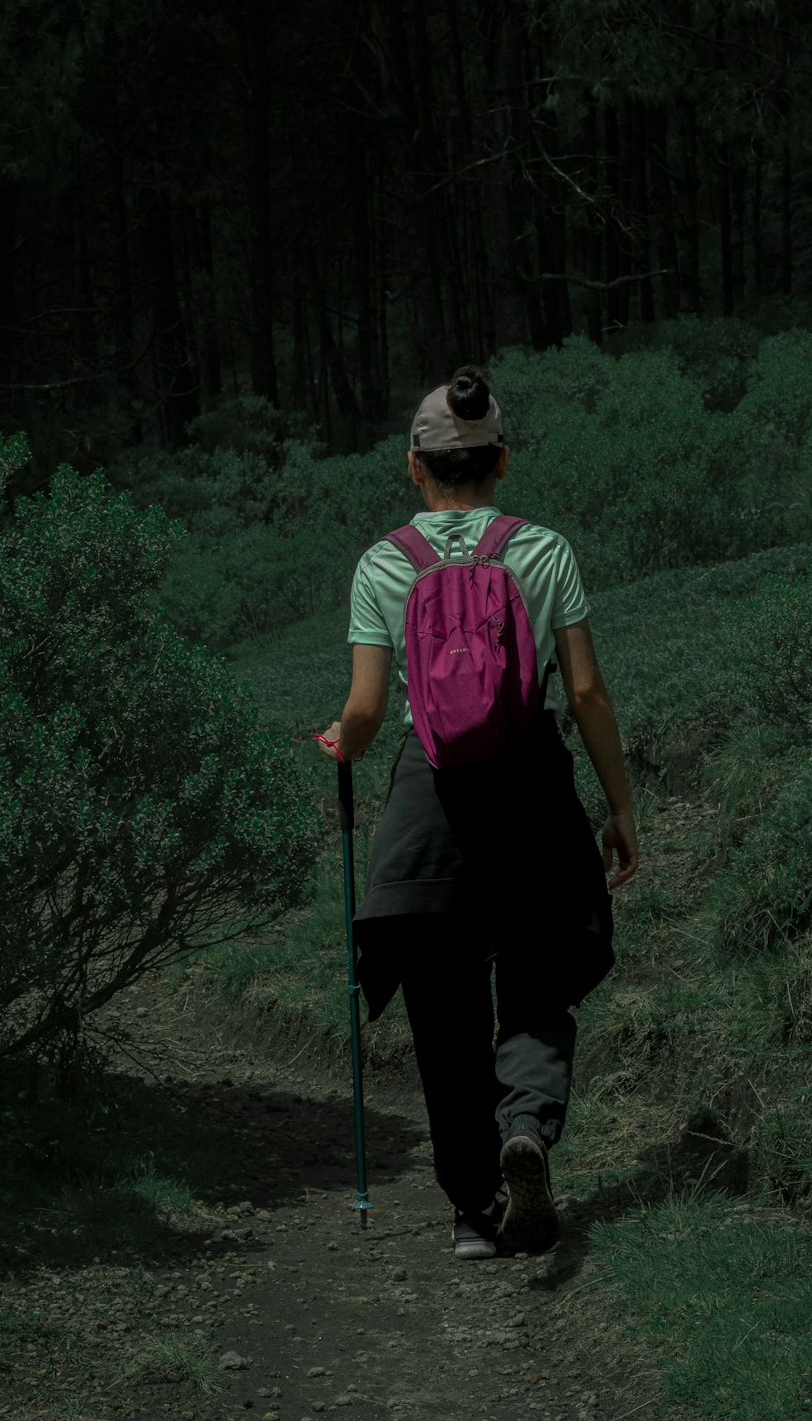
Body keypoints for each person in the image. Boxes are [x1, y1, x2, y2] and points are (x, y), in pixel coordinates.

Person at [317, 365, 638, 1260]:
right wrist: (619, 805)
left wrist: (338, 740)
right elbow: (582, 691)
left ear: (414, 469)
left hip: (431, 801)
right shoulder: (542, 551)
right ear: (503, 460)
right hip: (531, 786)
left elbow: (371, 711)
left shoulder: (384, 562)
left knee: (443, 1012)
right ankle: (526, 1126)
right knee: (536, 981)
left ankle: (474, 1213)